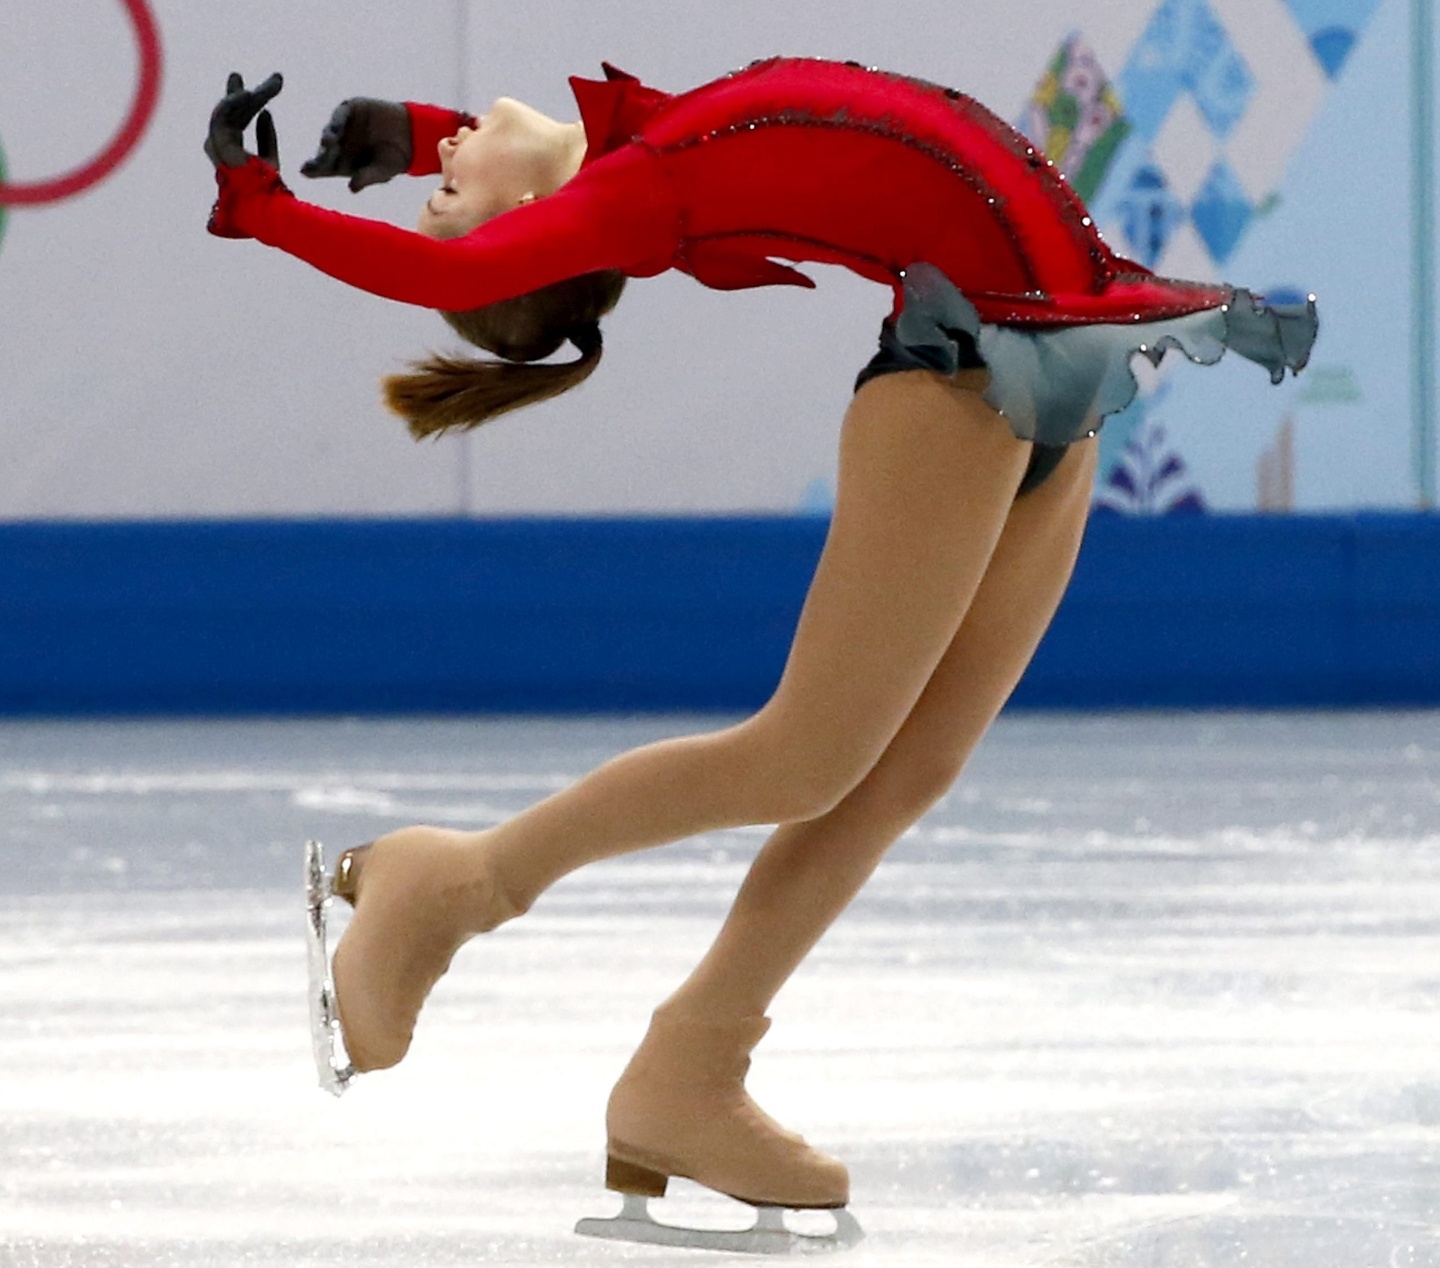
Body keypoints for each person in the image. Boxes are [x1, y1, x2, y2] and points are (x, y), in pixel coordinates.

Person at [204, 59, 1316, 1232]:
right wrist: (260, 204)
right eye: (445, 181)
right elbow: (462, 259)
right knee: (806, 754)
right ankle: (457, 884)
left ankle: (690, 1064)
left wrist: (417, 123)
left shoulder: (647, 153)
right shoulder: (634, 195)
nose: (438, 162)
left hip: (1052, 359)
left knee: (906, 770)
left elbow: (532, 168)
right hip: (959, 377)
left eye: (433, 171)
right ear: (534, 231)